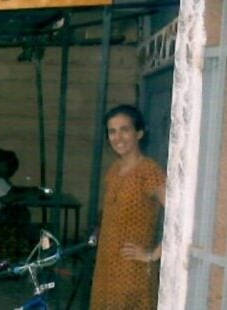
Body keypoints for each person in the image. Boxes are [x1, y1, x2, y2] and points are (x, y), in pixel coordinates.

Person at [90, 104, 166, 309]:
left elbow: (180, 215)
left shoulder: (149, 170)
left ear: (139, 133)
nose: (118, 137)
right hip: (107, 265)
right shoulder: (115, 169)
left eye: (125, 129)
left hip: (133, 269)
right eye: (112, 131)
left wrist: (154, 254)